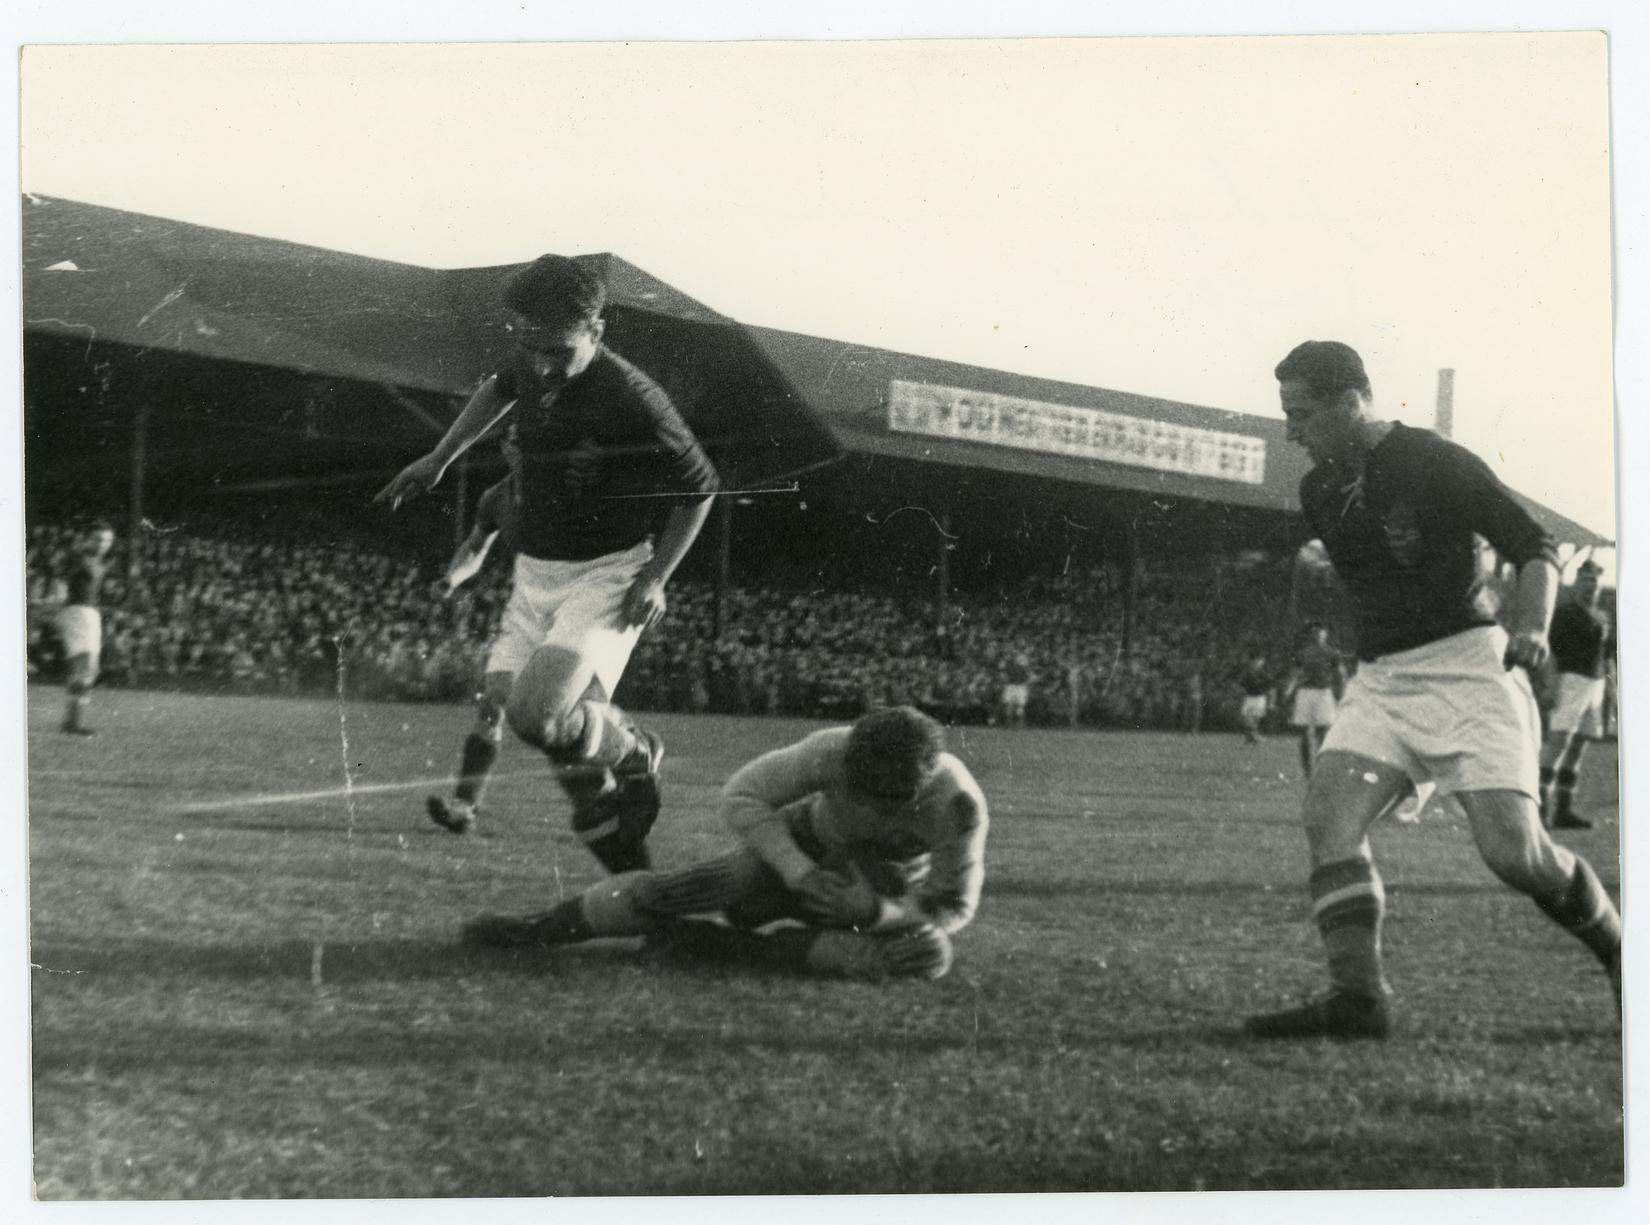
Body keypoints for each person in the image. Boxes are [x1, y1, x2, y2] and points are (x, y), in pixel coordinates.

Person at [1246, 340, 1620, 1041]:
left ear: (1350, 402)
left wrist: (1531, 628)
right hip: (1383, 680)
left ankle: (1624, 953)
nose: (1292, 432)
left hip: (1468, 670)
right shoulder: (1318, 490)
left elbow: (1533, 545)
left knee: (1515, 854)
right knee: (1328, 818)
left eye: (1302, 414)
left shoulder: (1433, 459)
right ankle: (1359, 999)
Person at [377, 255, 720, 872]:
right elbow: (500, 387)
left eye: (558, 351)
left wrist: (656, 579)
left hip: (605, 573)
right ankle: (631, 876)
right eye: (530, 347)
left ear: (597, 330)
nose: (540, 365)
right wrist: (440, 458)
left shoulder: (635, 397)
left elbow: (701, 488)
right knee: (555, 741)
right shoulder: (533, 362)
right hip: (533, 575)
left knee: (536, 716)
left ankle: (637, 752)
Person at [461, 706, 988, 983]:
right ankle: (539, 928)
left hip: (876, 889)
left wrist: (875, 911)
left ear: (923, 784)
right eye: (857, 789)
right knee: (708, 883)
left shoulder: (957, 804)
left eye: (884, 799)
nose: (866, 807)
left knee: (929, 955)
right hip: (804, 849)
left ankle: (719, 946)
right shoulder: (832, 750)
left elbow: (954, 906)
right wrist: (797, 869)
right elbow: (743, 794)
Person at [425, 427, 523, 834]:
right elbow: (475, 548)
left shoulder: (565, 488)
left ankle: (636, 753)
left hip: (578, 602)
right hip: (529, 608)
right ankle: (463, 808)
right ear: (505, 448)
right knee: (491, 705)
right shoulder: (496, 498)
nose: (521, 449)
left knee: (569, 718)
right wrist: (452, 578)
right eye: (514, 442)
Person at [1539, 558, 1612, 830]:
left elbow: (1606, 656)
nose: (1590, 586)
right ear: (1576, 583)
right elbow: (1550, 651)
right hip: (1569, 681)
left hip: (1594, 685)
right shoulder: (1564, 614)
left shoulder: (1602, 616)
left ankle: (1563, 811)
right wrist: (1551, 684)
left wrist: (1610, 687)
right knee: (1558, 743)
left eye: (1594, 581)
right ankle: (1539, 810)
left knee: (1578, 747)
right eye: (1585, 580)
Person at [55, 521, 117, 736]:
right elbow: (60, 578)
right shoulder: (78, 556)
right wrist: (59, 600)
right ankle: (74, 722)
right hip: (78, 611)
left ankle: (70, 721)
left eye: (107, 540)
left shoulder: (99, 561)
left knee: (87, 669)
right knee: (87, 668)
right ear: (87, 539)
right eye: (98, 539)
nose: (103, 544)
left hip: (88, 612)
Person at [1285, 623, 1345, 776]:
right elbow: (1295, 673)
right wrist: (1289, 690)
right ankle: (1307, 769)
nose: (1319, 634)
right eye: (1315, 632)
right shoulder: (1302, 653)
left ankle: (1320, 768)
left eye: (1321, 631)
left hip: (1323, 692)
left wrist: (1341, 691)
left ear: (1325, 634)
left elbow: (1340, 672)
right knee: (1304, 732)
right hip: (1305, 692)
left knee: (1322, 731)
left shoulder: (1332, 653)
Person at [1237, 654, 1271, 744]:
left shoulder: (1264, 674)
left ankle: (1251, 737)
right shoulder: (1247, 673)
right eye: (1256, 661)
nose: (1258, 663)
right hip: (1249, 698)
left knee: (1255, 719)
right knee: (1247, 718)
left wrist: (1271, 701)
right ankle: (1254, 736)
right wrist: (1242, 692)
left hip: (1260, 698)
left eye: (1260, 661)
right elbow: (1241, 685)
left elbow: (1270, 687)